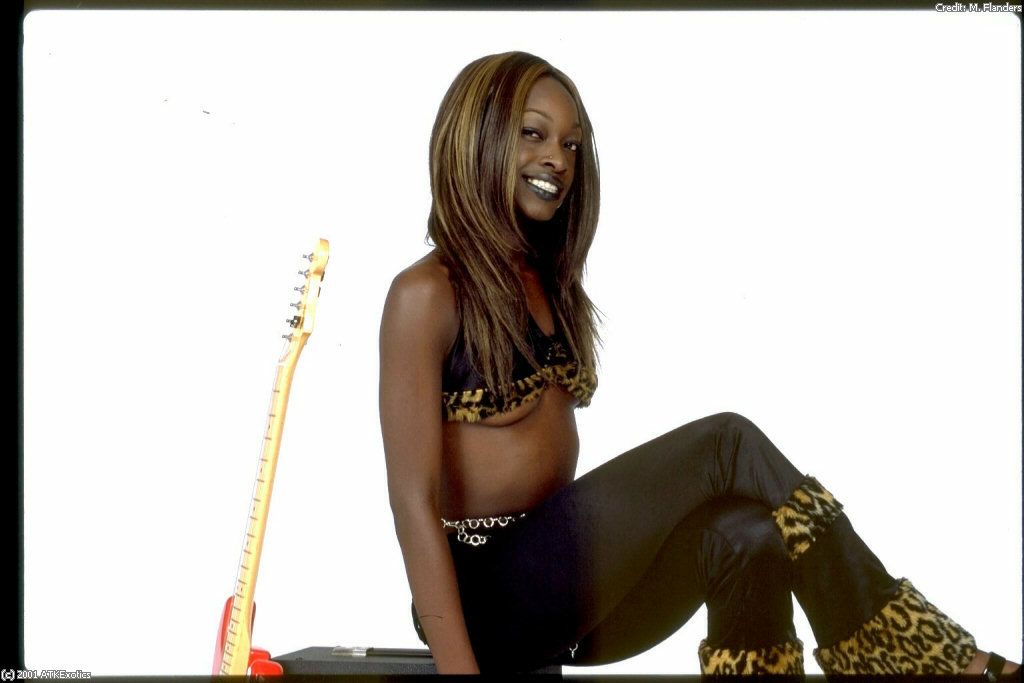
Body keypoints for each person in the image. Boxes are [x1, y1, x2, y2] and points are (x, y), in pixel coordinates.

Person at [377, 50, 1019, 677]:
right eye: (533, 133)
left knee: (749, 536)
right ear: (479, 136)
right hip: (483, 603)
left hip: (569, 601)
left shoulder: (548, 283)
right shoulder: (426, 294)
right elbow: (412, 501)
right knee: (725, 443)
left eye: (572, 144)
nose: (558, 159)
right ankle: (920, 657)